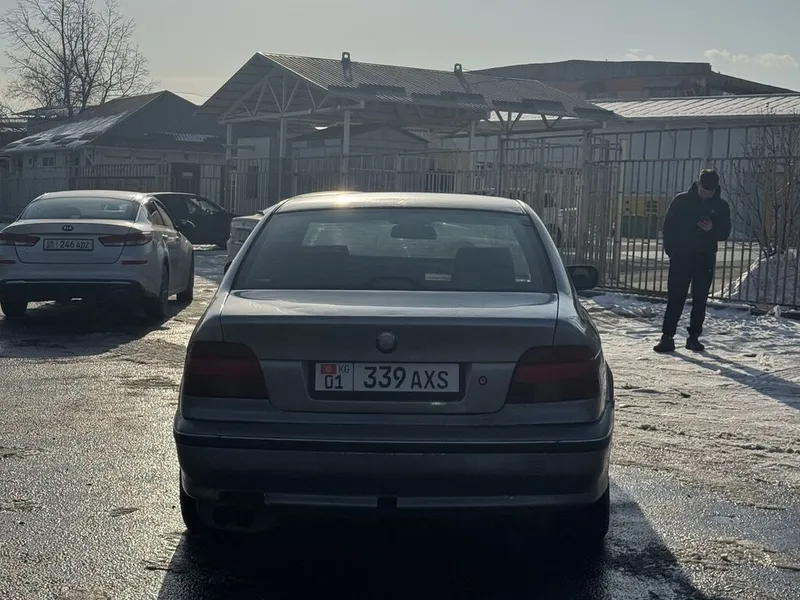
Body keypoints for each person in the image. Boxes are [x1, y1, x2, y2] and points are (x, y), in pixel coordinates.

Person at [654, 169, 731, 353]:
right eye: (704, 189)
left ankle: (694, 337)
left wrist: (711, 229)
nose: (706, 194)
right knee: (675, 297)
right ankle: (667, 337)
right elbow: (668, 227)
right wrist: (671, 251)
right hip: (681, 256)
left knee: (700, 299)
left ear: (715, 189)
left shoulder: (721, 205)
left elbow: (724, 232)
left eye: (710, 191)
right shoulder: (681, 201)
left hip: (705, 258)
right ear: (698, 184)